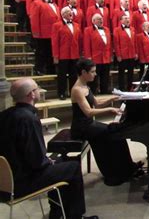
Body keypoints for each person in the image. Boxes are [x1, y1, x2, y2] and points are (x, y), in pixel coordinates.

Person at [0, 78, 97, 219]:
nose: (39, 90)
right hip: (22, 182)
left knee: (60, 162)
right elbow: (36, 160)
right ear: (31, 94)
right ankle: (75, 216)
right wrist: (47, 162)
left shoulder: (5, 114)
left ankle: (57, 212)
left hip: (6, 181)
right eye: (37, 88)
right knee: (73, 167)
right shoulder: (28, 119)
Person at [70, 58, 143, 186]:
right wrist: (110, 109)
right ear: (83, 72)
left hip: (88, 124)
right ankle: (117, 173)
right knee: (115, 133)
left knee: (118, 133)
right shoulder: (77, 89)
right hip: (81, 127)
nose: (95, 74)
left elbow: (96, 103)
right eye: (92, 72)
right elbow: (89, 112)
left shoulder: (84, 85)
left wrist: (114, 97)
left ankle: (127, 168)